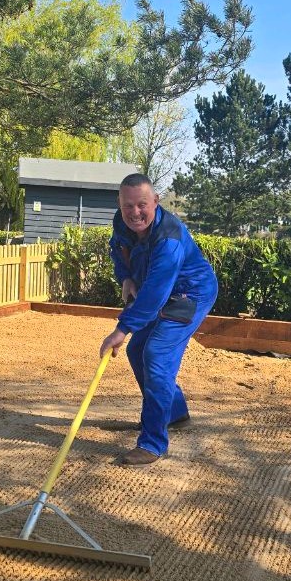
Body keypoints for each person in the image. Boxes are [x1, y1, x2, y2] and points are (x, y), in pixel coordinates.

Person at [99, 173, 218, 466]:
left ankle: (152, 442)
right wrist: (125, 277)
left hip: (190, 293)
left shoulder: (169, 238)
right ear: (120, 204)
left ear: (155, 201)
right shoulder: (121, 222)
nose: (135, 213)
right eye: (128, 206)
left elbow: (153, 293)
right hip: (163, 290)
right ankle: (174, 414)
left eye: (142, 204)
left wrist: (122, 328)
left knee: (155, 353)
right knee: (137, 350)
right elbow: (119, 250)